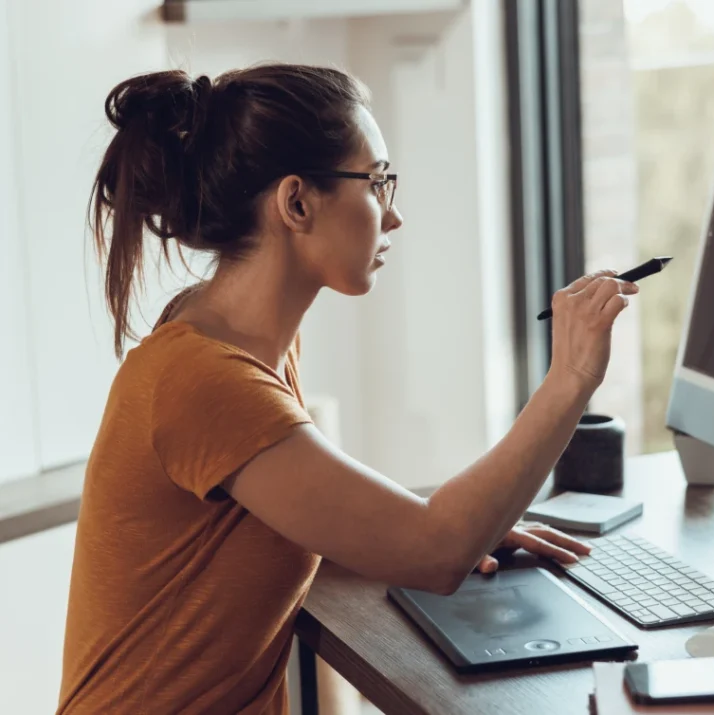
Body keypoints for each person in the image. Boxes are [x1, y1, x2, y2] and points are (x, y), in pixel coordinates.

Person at [57, 64, 637, 714]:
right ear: (297, 203)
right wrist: (571, 378)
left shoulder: (242, 343)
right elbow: (437, 550)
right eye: (378, 181)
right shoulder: (206, 380)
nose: (394, 215)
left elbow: (316, 522)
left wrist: (472, 526)